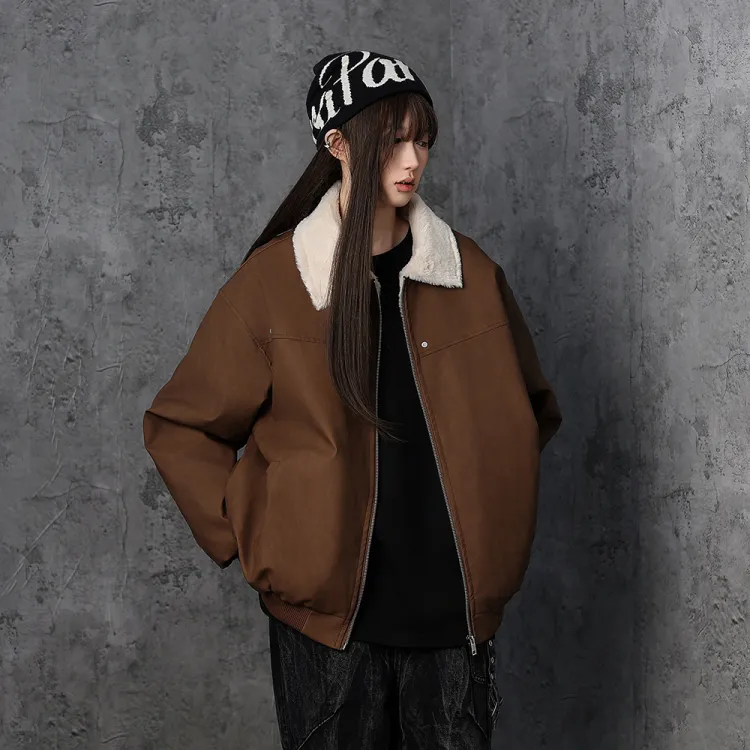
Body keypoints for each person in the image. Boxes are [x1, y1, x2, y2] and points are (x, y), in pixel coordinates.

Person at [143, 49, 563, 749]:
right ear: (338, 144)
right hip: (328, 634)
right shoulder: (274, 283)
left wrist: (496, 515)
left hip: (453, 625)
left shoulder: (472, 276)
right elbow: (182, 426)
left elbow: (530, 413)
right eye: (393, 140)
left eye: (423, 139)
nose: (413, 159)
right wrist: (264, 533)